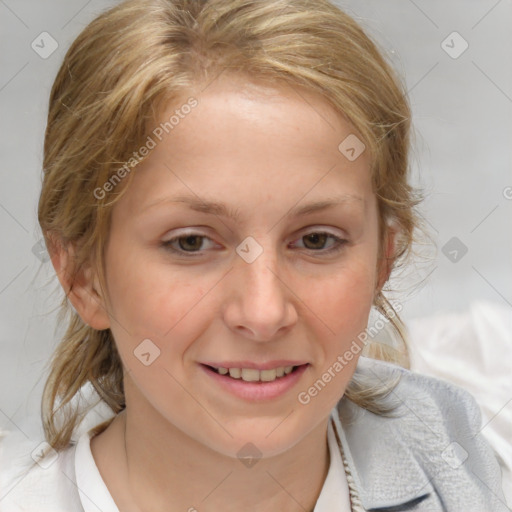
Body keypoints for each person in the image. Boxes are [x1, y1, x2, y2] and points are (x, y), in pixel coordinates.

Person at [0, 0, 508, 510]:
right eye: (191, 243)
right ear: (83, 276)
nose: (264, 314)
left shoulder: (461, 459)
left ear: (383, 261)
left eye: (316, 240)